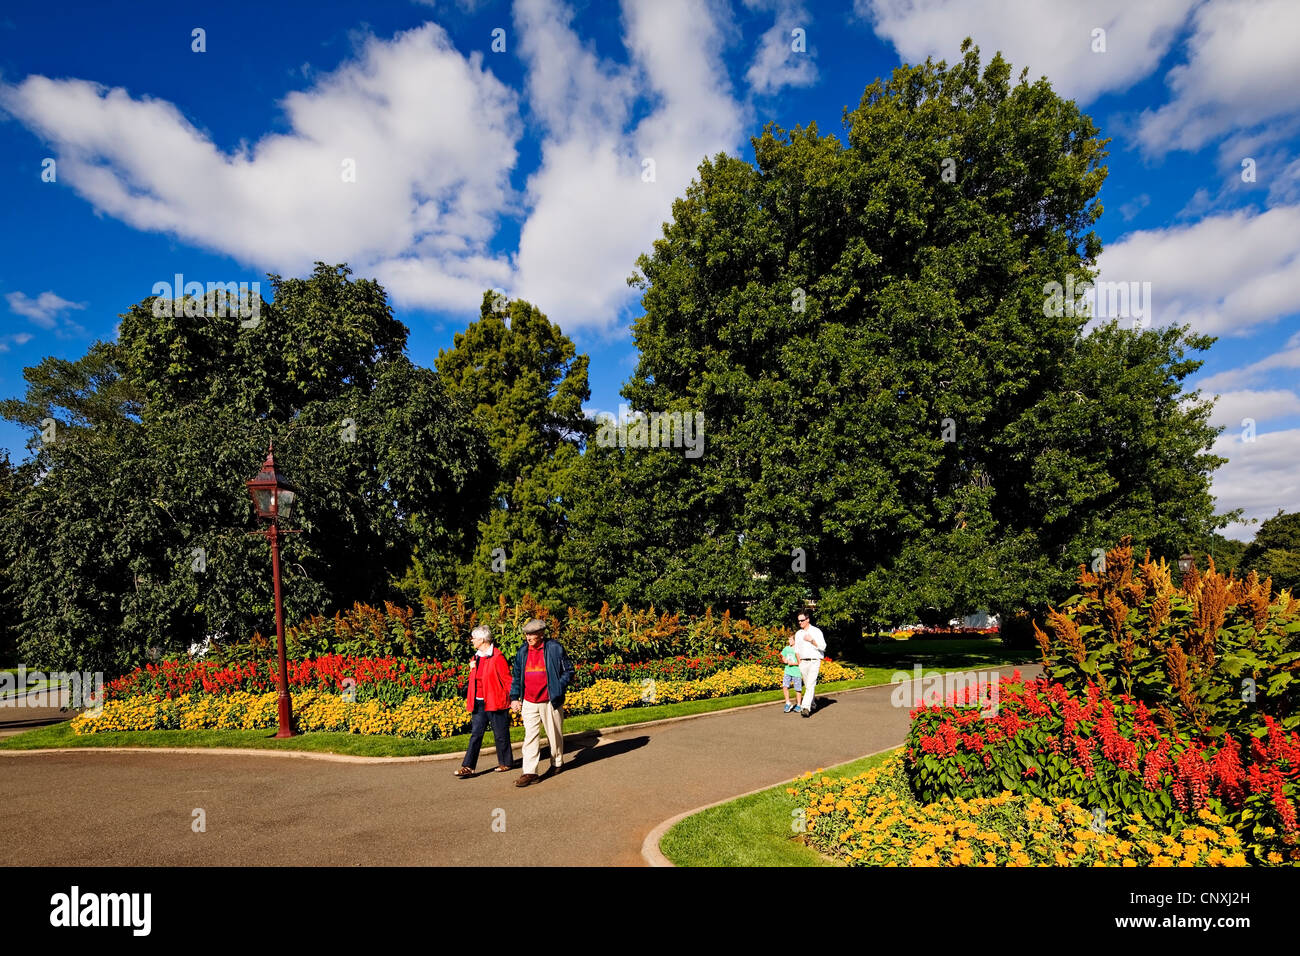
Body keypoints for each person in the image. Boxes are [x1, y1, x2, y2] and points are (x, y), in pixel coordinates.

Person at [509, 618, 575, 787]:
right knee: (530, 736)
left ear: (541, 634)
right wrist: (515, 697)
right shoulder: (522, 651)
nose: (528, 637)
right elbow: (517, 676)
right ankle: (530, 772)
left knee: (554, 735)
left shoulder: (554, 648)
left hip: (550, 700)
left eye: (531, 634)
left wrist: (557, 687)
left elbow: (568, 671)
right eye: (526, 634)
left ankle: (557, 763)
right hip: (529, 700)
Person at [455, 625, 514, 777]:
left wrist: (514, 698)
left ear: (482, 640)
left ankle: (505, 763)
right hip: (479, 703)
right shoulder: (476, 658)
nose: (472, 640)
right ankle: (468, 766)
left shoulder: (497, 657)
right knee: (476, 734)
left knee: (500, 734)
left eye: (474, 638)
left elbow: (508, 680)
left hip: (495, 701)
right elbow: (476, 681)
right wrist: (472, 670)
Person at [793, 611, 826, 718]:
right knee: (808, 686)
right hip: (803, 662)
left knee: (811, 684)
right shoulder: (798, 634)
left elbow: (823, 646)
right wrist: (799, 662)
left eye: (802, 620)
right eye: (798, 621)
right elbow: (796, 649)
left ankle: (805, 707)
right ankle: (812, 703)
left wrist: (811, 640)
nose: (800, 622)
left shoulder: (816, 631)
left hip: (814, 661)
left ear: (808, 620)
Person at [780, 634, 803, 713]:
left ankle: (799, 705)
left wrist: (793, 663)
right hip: (787, 671)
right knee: (785, 686)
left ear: (795, 640)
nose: (789, 641)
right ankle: (788, 703)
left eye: (791, 640)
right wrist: (784, 660)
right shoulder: (786, 648)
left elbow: (801, 662)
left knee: (798, 689)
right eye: (789, 639)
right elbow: (782, 655)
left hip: (796, 672)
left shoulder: (799, 650)